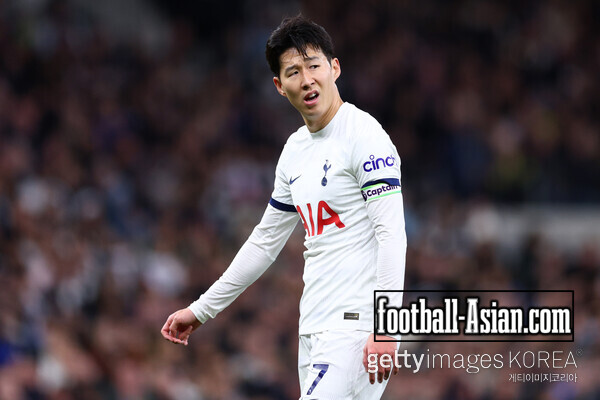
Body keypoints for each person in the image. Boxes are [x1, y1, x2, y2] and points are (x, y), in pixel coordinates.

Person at [161, 15, 407, 399]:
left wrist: (386, 328)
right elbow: (264, 243)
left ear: (334, 68)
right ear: (279, 86)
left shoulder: (365, 138)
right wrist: (201, 309)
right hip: (313, 329)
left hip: (355, 329)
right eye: (293, 71)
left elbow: (392, 235)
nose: (307, 79)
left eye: (314, 66)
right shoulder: (295, 151)